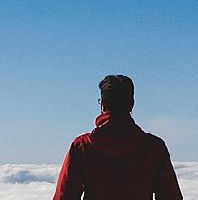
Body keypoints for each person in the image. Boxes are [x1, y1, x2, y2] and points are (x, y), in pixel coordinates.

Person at [53, 75, 183, 200]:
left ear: (102, 104)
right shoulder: (154, 147)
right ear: (132, 104)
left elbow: (64, 196)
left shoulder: (82, 147)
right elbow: (171, 196)